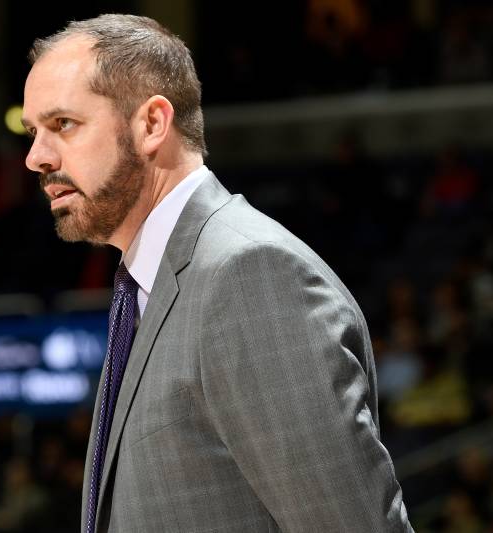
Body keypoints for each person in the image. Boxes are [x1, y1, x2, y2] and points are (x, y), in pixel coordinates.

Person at [21, 14, 413, 532]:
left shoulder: (249, 277)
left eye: (62, 125)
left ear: (152, 124)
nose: (35, 157)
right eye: (33, 132)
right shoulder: (150, 282)